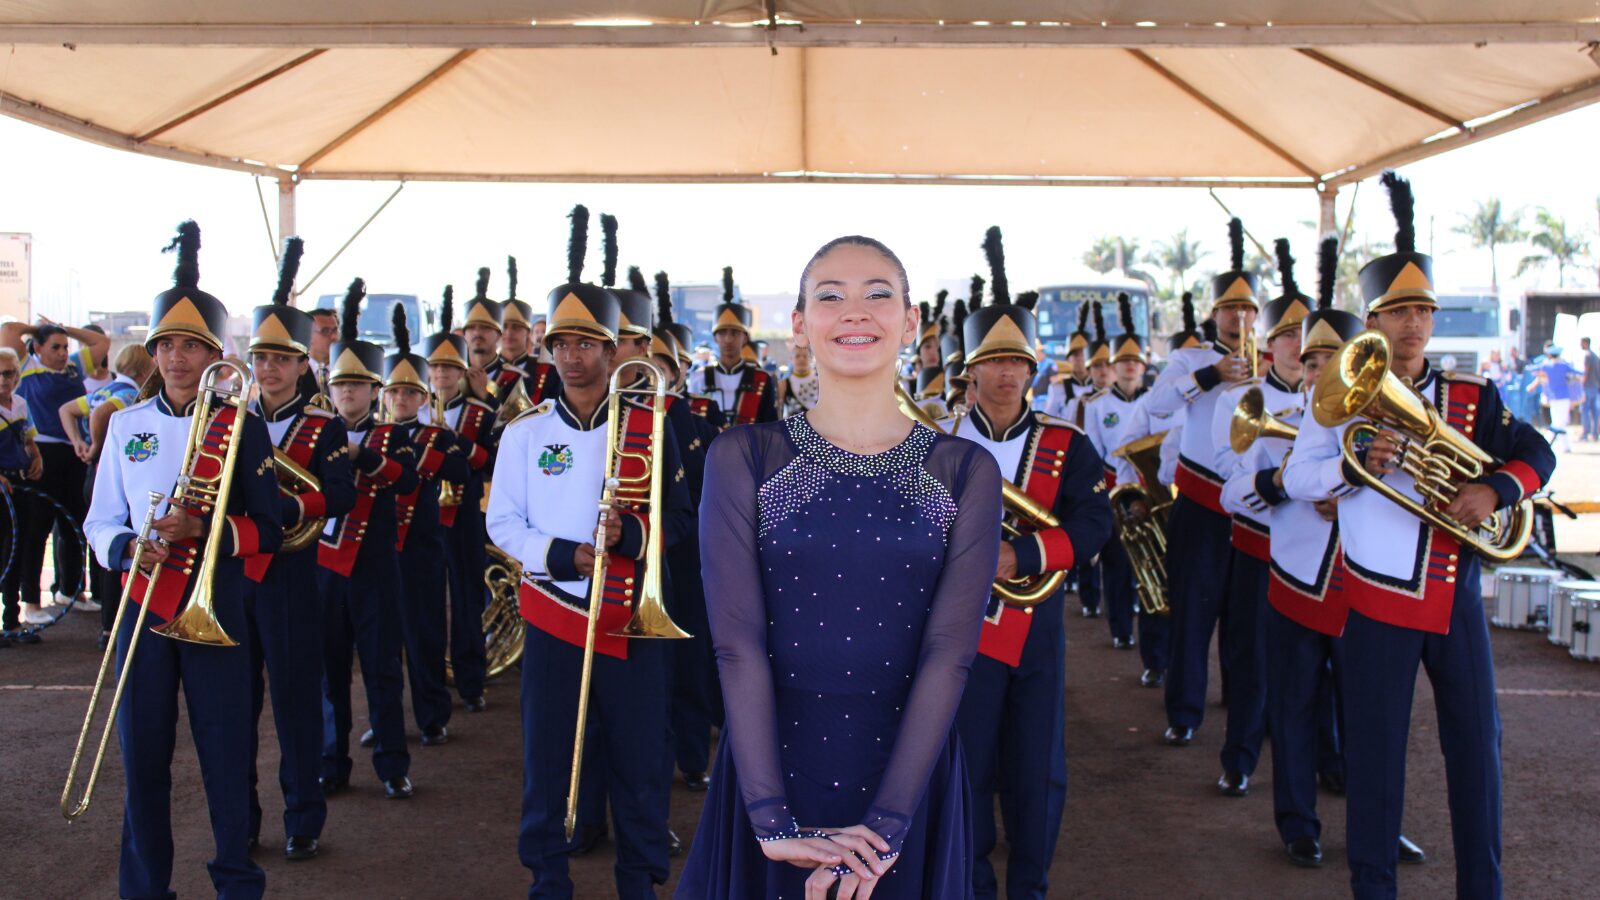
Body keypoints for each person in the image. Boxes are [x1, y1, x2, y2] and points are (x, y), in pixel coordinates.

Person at [677, 234, 1002, 900]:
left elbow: (950, 654)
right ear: (799, 324)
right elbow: (738, 645)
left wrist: (885, 830)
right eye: (830, 296)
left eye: (878, 294)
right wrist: (769, 820)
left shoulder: (965, 471)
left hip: (910, 780)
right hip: (773, 771)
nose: (856, 312)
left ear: (911, 322)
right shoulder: (745, 457)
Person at [1284, 171, 1555, 899]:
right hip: (1374, 600)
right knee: (1374, 760)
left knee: (1477, 752)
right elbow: (1297, 476)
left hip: (1456, 596)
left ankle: (1483, 888)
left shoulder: (1473, 397)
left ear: (1434, 322)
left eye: (1423, 311)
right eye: (1398, 311)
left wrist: (1493, 489)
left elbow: (1540, 457)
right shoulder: (1333, 401)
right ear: (1373, 321)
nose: (1412, 324)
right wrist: (1351, 464)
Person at [488, 205, 692, 899]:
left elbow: (685, 525)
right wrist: (568, 554)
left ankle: (640, 882)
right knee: (547, 764)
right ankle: (548, 881)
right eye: (562, 345)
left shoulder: (652, 427)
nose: (573, 356)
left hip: (632, 617)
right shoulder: (522, 433)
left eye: (588, 344)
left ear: (613, 352)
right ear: (548, 352)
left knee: (639, 765)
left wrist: (627, 540)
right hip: (553, 613)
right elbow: (502, 524)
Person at [83, 220, 280, 899]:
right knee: (143, 760)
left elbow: (274, 527)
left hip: (215, 607)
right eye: (165, 345)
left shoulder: (241, 426)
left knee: (226, 758)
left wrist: (206, 528)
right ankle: (143, 888)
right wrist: (127, 546)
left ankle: (235, 881)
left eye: (190, 347)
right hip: (143, 605)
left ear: (212, 356)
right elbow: (100, 518)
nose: (174, 358)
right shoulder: (126, 425)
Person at [947, 228, 1112, 900]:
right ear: (972, 368)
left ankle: (1031, 885)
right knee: (968, 763)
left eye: (1018, 360)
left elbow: (1097, 523)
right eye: (994, 361)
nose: (1007, 374)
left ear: (1035, 367)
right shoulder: (937, 442)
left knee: (1038, 768)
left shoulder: (1065, 444)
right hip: (961, 632)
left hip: (1036, 627)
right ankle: (975, 882)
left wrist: (1024, 553)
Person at [1265, 236, 1426, 870]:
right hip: (1302, 579)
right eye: (1313, 363)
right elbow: (1248, 486)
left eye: (1336, 359)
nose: (1323, 372)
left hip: (1369, 582)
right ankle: (1298, 823)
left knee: (1372, 719)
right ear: (1299, 367)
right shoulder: (1277, 413)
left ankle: (1379, 829)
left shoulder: (1386, 408)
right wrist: (1326, 477)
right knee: (1296, 708)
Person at [243, 237, 356, 860]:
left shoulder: (324, 424)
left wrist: (287, 507)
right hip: (240, 575)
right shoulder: (231, 419)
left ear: (301, 364)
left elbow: (338, 495)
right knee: (235, 708)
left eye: (281, 360)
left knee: (294, 703)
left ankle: (303, 816)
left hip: (292, 574)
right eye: (261, 358)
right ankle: (243, 818)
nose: (269, 370)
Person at [1142, 217, 1259, 748]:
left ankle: (1243, 706)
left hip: (1256, 505)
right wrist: (1211, 376)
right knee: (1192, 610)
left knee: (1247, 618)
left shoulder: (1271, 362)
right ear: (1215, 314)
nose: (1239, 317)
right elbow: (1154, 408)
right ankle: (1185, 710)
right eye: (1231, 309)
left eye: (1248, 309)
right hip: (1199, 500)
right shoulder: (1190, 358)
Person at [1209, 238, 1311, 799]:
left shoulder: (1332, 401)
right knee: (1250, 657)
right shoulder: (1238, 399)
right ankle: (1240, 756)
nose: (1298, 347)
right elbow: (1229, 474)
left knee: (1322, 667)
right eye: (1287, 337)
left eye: (1305, 337)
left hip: (1321, 552)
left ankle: (1331, 761)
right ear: (1268, 346)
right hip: (1259, 545)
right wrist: (1282, 475)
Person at [315, 277, 418, 801]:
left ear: (376, 390)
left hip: (375, 568)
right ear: (329, 389)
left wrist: (364, 458)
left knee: (381, 670)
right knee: (329, 675)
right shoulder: (313, 431)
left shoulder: (394, 434)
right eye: (340, 385)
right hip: (325, 569)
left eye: (357, 385)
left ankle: (392, 764)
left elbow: (408, 479)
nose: (348, 392)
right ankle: (332, 764)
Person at [1, 313, 110, 620]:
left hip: (74, 452)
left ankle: (71, 590)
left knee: (75, 522)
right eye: (55, 347)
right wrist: (38, 328)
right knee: (37, 530)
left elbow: (102, 342)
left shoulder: (75, 366)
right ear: (36, 348)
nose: (63, 352)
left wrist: (64, 329)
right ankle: (31, 602)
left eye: (65, 346)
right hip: (42, 452)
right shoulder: (26, 367)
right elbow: (9, 330)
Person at [424, 286, 496, 713]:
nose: (443, 376)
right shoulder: (411, 410)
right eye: (435, 368)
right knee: (427, 602)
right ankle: (432, 682)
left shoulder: (481, 413)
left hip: (465, 513)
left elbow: (489, 461)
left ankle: (471, 682)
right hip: (423, 516)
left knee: (467, 597)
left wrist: (453, 444)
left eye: (450, 368)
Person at [1084, 293, 1161, 657]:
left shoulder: (1155, 403)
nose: (1130, 366)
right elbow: (1096, 451)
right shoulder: (1098, 406)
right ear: (1113, 365)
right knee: (1116, 562)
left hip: (1152, 491)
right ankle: (1119, 627)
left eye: (1135, 360)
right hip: (1114, 488)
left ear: (1144, 365)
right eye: (1124, 361)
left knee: (1149, 562)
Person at [696, 265, 777, 426]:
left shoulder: (761, 379)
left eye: (734, 333)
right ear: (715, 338)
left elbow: (769, 426)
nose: (728, 339)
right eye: (722, 333)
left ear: (745, 338)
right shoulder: (699, 377)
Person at [0, 347, 44, 645]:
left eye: (11, 373)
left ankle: (11, 622)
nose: (6, 379)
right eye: (1, 374)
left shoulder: (19, 403)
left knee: (18, 549)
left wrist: (37, 456)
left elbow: (28, 438)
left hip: (20, 485)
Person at [1534, 345, 1580, 452]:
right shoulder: (1563, 366)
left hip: (1552, 397)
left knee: (1558, 421)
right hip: (1563, 397)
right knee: (1559, 423)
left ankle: (1565, 446)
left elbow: (1534, 370)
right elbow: (1577, 373)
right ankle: (1545, 442)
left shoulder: (1546, 366)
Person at [1581, 337, 1600, 441]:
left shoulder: (1587, 356)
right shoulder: (1596, 356)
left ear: (1585, 343)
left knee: (1584, 410)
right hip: (1595, 387)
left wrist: (1581, 384)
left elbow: (1586, 372)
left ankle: (1585, 433)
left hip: (1587, 387)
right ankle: (1595, 434)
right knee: (1595, 412)